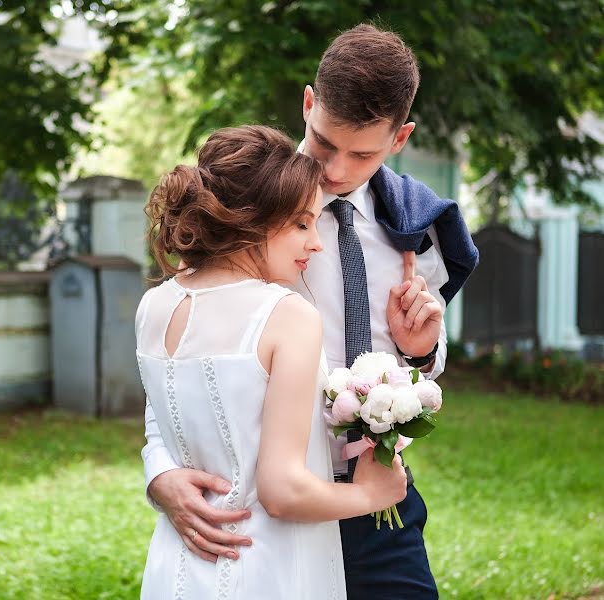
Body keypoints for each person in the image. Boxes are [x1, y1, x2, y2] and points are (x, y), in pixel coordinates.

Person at [142, 24, 479, 599]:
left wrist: (419, 348)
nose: (337, 171)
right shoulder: (245, 206)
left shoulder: (417, 230)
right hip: (265, 520)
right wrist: (159, 474)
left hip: (375, 501)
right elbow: (181, 363)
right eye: (324, 144)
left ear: (401, 139)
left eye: (363, 153)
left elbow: (423, 367)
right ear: (307, 105)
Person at [136, 124, 408, 599]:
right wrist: (371, 495)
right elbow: (281, 492)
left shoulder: (154, 307)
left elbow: (163, 425)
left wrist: (158, 476)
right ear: (253, 220)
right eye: (302, 224)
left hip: (178, 566)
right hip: (268, 568)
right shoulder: (286, 316)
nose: (316, 242)